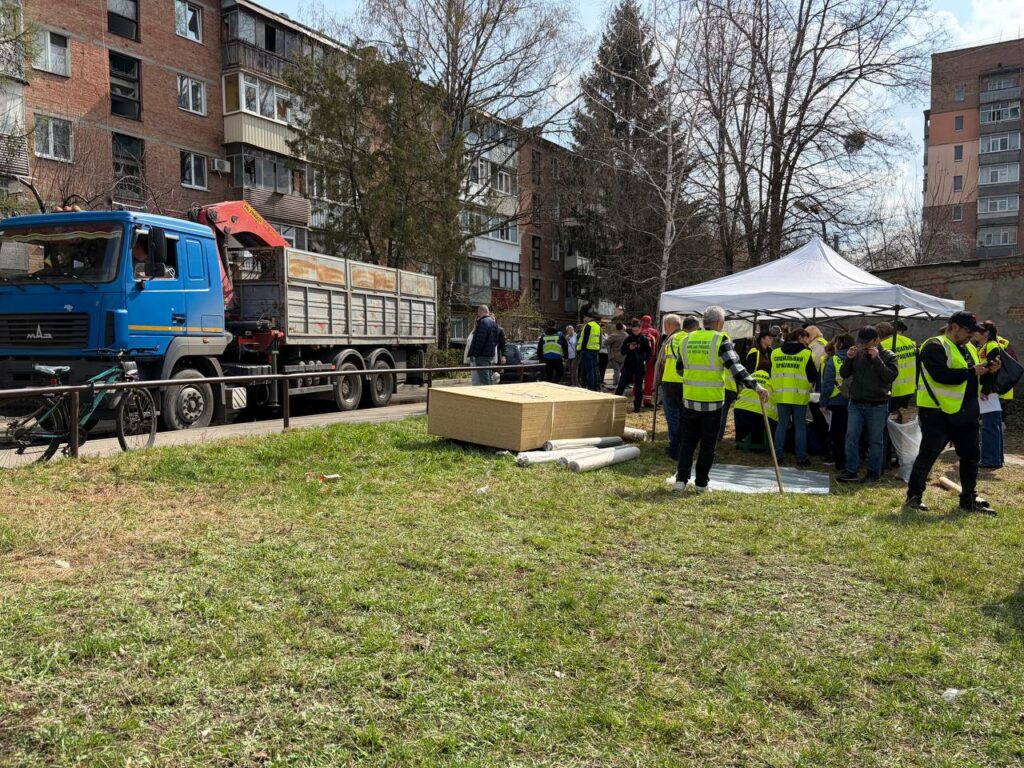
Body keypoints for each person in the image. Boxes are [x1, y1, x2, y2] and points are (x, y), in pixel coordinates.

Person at [905, 311, 1000, 515]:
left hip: (966, 411)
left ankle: (968, 499)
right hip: (937, 411)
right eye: (968, 331)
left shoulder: (970, 348)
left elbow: (974, 379)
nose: (971, 335)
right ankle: (914, 497)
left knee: (971, 456)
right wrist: (972, 371)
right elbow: (941, 375)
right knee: (928, 456)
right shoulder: (934, 346)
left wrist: (990, 373)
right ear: (954, 326)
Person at [674, 306, 769, 493]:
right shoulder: (721, 340)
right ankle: (701, 484)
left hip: (690, 399)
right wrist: (756, 386)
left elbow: (679, 369)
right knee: (708, 444)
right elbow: (736, 368)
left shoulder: (686, 340)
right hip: (712, 402)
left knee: (687, 442)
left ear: (704, 321)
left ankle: (680, 480)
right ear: (719, 323)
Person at [836, 326, 898, 483]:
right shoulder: (858, 354)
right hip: (856, 403)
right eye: (861, 342)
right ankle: (851, 470)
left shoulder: (889, 355)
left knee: (875, 440)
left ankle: (873, 472)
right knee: (851, 437)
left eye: (866, 343)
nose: (863, 345)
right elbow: (844, 374)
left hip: (877, 405)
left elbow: (890, 377)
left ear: (877, 340)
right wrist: (849, 358)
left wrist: (877, 359)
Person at [770, 328, 818, 466]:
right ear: (800, 337)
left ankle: (778, 456)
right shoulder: (806, 354)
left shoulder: (775, 353)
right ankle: (801, 458)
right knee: (800, 426)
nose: (808, 341)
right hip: (799, 396)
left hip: (781, 395)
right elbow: (813, 376)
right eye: (807, 338)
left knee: (782, 425)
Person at [652, 314, 685, 459]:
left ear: (669, 325)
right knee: (684, 416)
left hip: (670, 382)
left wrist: (654, 385)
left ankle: (675, 444)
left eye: (665, 326)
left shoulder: (670, 340)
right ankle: (683, 444)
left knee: (672, 415)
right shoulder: (689, 337)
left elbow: (659, 363)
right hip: (687, 384)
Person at [820, 333, 854, 473]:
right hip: (855, 401)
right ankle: (853, 461)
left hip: (837, 400)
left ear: (839, 344)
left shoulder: (833, 360)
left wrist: (823, 402)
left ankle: (840, 462)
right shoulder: (858, 358)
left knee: (838, 434)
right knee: (852, 433)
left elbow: (827, 384)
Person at [974, 321, 1005, 469]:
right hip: (989, 392)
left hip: (988, 392)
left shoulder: (991, 346)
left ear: (986, 333)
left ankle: (990, 460)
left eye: (978, 331)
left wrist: (985, 390)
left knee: (989, 426)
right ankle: (996, 458)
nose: (975, 333)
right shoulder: (986, 346)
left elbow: (994, 369)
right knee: (992, 425)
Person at [733, 368, 777, 445]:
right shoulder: (773, 378)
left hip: (740, 409)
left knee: (743, 434)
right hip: (761, 413)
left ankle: (740, 439)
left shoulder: (751, 376)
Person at [615, 319, 650, 412]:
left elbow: (649, 353)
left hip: (639, 366)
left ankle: (637, 407)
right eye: (633, 330)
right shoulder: (628, 339)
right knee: (621, 385)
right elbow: (622, 352)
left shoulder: (645, 340)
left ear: (640, 329)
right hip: (628, 365)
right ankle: (615, 404)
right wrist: (629, 348)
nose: (635, 332)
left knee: (638, 387)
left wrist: (645, 360)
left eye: (637, 330)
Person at [466, 305, 499, 385]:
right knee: (489, 377)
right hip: (490, 355)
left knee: (484, 379)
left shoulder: (483, 322)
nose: (478, 315)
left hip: (482, 356)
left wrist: (475, 354)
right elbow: (495, 340)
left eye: (478, 313)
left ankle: (488, 395)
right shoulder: (494, 324)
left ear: (480, 312)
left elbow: (479, 341)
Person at [577, 310, 602, 391]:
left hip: (588, 351)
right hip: (595, 350)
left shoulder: (588, 325)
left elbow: (585, 339)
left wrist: (582, 350)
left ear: (588, 317)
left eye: (584, 317)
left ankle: (591, 386)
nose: (584, 319)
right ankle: (595, 385)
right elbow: (600, 339)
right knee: (595, 369)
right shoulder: (598, 326)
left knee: (589, 370)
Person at [537, 320, 568, 384]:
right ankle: (556, 383)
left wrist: (540, 358)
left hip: (547, 359)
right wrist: (566, 356)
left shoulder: (544, 335)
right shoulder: (560, 334)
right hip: (557, 358)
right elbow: (565, 346)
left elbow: (539, 348)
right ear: (555, 326)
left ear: (548, 326)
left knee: (548, 375)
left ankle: (550, 386)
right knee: (560, 372)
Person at [639, 314, 660, 406]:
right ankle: (647, 401)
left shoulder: (637, 331)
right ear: (650, 321)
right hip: (651, 359)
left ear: (641, 321)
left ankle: (636, 398)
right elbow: (658, 346)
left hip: (638, 359)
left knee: (638, 379)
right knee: (649, 380)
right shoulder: (655, 332)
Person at [607, 323, 628, 388]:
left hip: (614, 355)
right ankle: (620, 382)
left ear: (616, 328)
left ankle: (616, 383)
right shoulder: (626, 335)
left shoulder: (614, 335)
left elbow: (606, 342)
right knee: (621, 370)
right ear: (623, 328)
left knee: (616, 370)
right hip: (623, 355)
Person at [598, 324, 610, 389]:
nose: (603, 329)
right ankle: (599, 380)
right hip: (600, 352)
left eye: (604, 328)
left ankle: (602, 380)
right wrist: (605, 344)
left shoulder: (606, 335)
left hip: (606, 353)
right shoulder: (599, 335)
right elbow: (602, 344)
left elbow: (608, 343)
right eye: (602, 328)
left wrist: (606, 344)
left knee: (604, 368)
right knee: (600, 368)